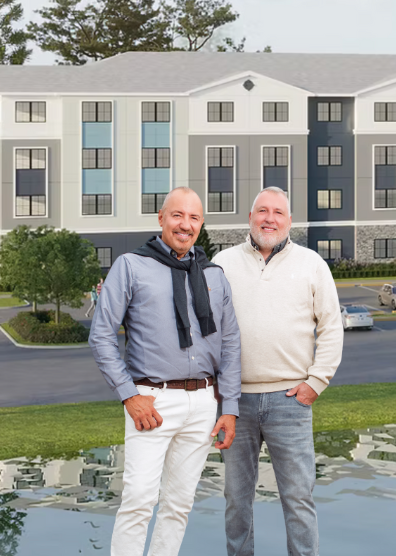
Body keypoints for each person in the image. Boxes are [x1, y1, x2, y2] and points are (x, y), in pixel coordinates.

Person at [88, 187, 241, 556]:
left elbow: (232, 342)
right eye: (177, 215)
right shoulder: (131, 265)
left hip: (204, 402)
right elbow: (101, 336)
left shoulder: (214, 275)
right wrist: (130, 395)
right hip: (150, 402)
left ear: (201, 224)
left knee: (179, 505)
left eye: (193, 218)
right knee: (139, 500)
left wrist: (230, 408)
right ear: (161, 218)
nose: (185, 225)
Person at [214, 187, 343, 556]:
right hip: (236, 403)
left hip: (291, 401)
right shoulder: (223, 263)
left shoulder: (312, 264)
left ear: (290, 222)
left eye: (278, 213)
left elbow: (331, 327)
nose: (269, 218)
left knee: (298, 498)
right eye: (262, 211)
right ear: (250, 218)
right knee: (237, 500)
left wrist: (315, 383)